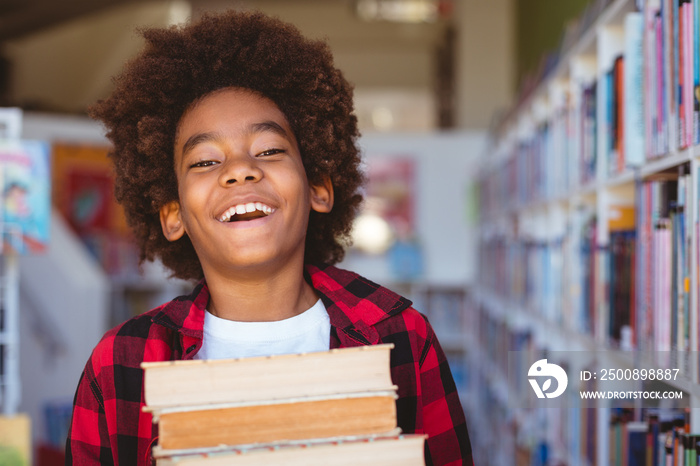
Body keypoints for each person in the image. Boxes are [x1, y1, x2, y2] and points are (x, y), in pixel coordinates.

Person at [65, 10, 474, 466]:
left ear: (318, 188)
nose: (240, 169)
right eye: (204, 161)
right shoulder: (120, 364)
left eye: (269, 150)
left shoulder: (401, 336)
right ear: (173, 214)